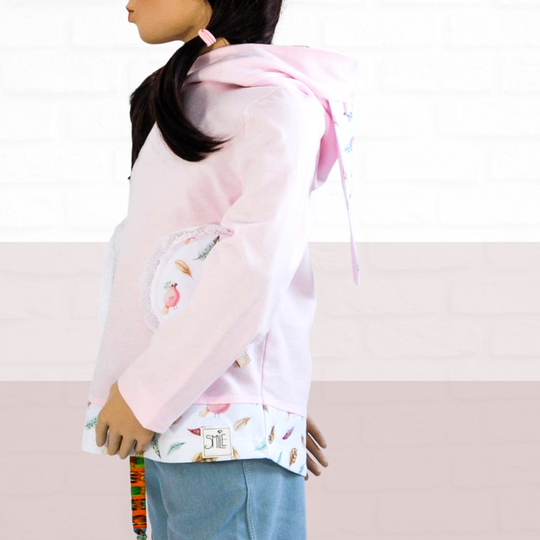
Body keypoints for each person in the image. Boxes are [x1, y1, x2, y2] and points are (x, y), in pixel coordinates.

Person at [80, 0, 358, 538]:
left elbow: (256, 266)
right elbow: (151, 262)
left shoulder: (274, 105)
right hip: (171, 424)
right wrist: (243, 391)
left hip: (187, 421)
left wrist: (249, 397)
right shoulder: (182, 103)